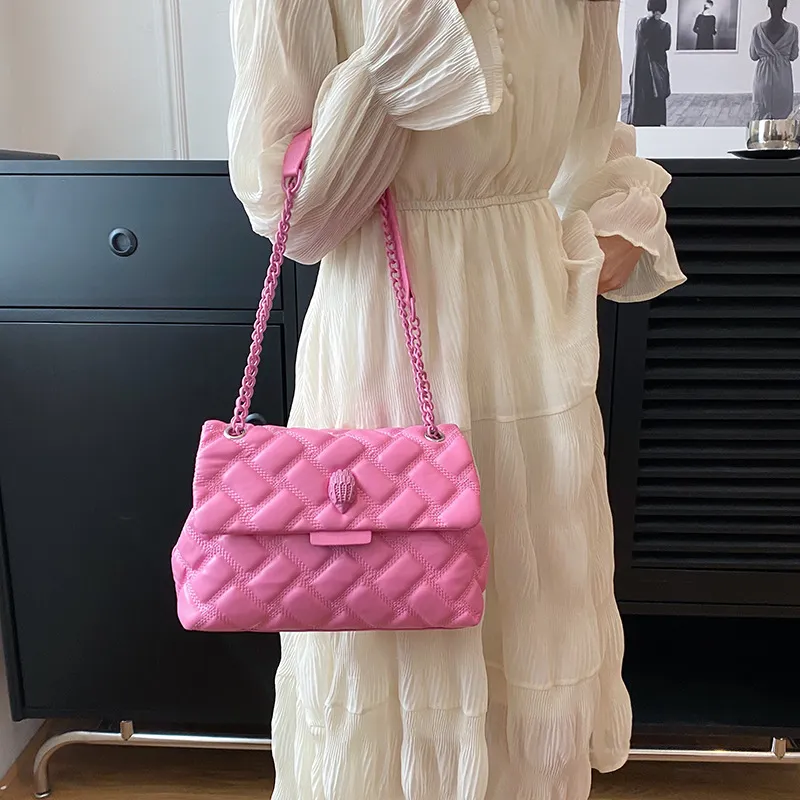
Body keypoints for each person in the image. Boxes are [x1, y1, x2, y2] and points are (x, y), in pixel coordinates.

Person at [228, 0, 685, 798]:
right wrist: (418, 30)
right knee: (389, 630)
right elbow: (293, 216)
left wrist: (617, 217)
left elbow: (593, 142)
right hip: (380, 348)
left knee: (525, 625)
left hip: (531, 349)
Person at [626, 0, 673, 126]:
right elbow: (667, 46)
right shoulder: (665, 26)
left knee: (641, 96)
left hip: (640, 68)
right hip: (657, 67)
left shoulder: (640, 24)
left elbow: (639, 43)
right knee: (656, 95)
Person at [751, 0, 800, 119]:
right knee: (783, 119)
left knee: (760, 117)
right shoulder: (793, 29)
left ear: (768, 5)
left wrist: (766, 54)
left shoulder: (757, 29)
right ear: (785, 6)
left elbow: (753, 55)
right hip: (783, 78)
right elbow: (793, 56)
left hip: (763, 78)